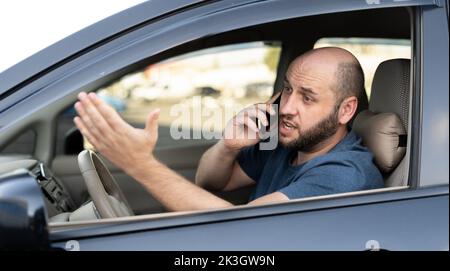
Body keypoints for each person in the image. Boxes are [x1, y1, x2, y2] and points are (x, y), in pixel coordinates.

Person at [74, 47, 383, 212]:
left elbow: (238, 223)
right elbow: (209, 181)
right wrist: (228, 146)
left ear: (346, 110)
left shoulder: (344, 174)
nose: (287, 107)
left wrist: (139, 164)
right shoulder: (288, 143)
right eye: (287, 90)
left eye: (307, 97)